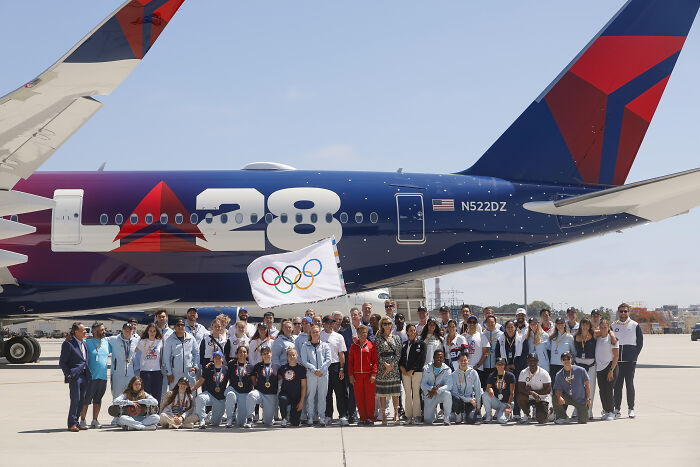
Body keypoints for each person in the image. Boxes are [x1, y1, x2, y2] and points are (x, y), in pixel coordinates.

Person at [613, 302, 643, 419]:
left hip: (630, 361)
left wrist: (634, 356)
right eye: (621, 311)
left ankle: (631, 408)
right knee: (617, 386)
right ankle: (617, 409)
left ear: (628, 312)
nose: (623, 313)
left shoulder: (635, 325)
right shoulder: (613, 325)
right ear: (618, 312)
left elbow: (639, 343)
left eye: (625, 311)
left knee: (629, 385)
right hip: (617, 362)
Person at [60, 322, 91, 432]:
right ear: (76, 332)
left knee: (82, 400)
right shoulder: (68, 344)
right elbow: (62, 362)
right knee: (75, 399)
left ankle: (77, 422)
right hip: (75, 376)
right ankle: (71, 423)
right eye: (83, 330)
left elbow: (84, 360)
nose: (85, 332)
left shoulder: (84, 344)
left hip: (84, 375)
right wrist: (68, 374)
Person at [496, 320, 528, 420]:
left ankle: (517, 412)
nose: (510, 329)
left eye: (512, 327)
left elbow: (524, 354)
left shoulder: (521, 338)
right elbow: (497, 354)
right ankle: (506, 411)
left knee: (517, 390)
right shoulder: (500, 339)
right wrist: (504, 366)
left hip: (518, 368)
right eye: (508, 327)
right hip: (504, 368)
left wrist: (516, 365)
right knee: (505, 390)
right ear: (505, 328)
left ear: (515, 328)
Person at [300, 325, 332, 426]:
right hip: (311, 374)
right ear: (310, 334)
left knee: (322, 396)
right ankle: (310, 417)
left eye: (317, 332)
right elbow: (304, 361)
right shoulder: (305, 345)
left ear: (319, 333)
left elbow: (329, 359)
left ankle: (321, 417)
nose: (315, 334)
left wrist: (321, 370)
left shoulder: (325, 345)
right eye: (313, 332)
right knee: (311, 396)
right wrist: (314, 370)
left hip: (323, 374)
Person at [81, 322, 110, 429]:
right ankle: (82, 420)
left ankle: (95, 420)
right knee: (86, 400)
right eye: (102, 330)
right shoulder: (86, 342)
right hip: (90, 378)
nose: (104, 331)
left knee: (98, 400)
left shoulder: (106, 342)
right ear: (95, 331)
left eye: (104, 329)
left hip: (102, 377)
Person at [321, 315, 349, 425]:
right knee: (327, 393)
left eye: (332, 322)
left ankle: (342, 415)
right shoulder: (320, 335)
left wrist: (341, 369)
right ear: (323, 323)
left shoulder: (338, 337)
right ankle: (328, 415)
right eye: (328, 322)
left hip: (336, 366)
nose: (330, 324)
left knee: (340, 392)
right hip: (324, 366)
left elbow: (341, 354)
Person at [348, 324, 378, 425]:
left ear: (367, 334)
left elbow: (375, 361)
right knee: (359, 397)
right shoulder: (353, 346)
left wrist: (374, 374)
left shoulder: (371, 345)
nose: (362, 335)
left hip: (369, 375)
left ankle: (370, 418)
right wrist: (351, 375)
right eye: (360, 333)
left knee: (369, 397)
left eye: (364, 333)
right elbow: (350, 362)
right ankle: (363, 418)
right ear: (357, 334)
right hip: (357, 376)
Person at [374, 316, 402, 425]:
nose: (387, 325)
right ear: (381, 325)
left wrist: (391, 365)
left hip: (393, 367)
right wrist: (385, 364)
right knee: (383, 392)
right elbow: (377, 353)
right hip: (382, 367)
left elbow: (399, 353)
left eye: (389, 323)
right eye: (384, 323)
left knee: (395, 392)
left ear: (392, 325)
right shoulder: (378, 338)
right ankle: (383, 414)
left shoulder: (396, 338)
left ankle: (396, 413)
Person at [192, 351, 228, 428]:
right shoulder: (209, 368)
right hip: (210, 395)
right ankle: (202, 420)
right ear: (213, 359)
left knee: (215, 423)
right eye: (215, 358)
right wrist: (190, 389)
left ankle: (209, 416)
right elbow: (200, 381)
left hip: (220, 398)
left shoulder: (226, 369)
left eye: (219, 358)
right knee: (200, 398)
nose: (217, 359)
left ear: (222, 359)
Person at [553, 352, 591, 424]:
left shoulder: (581, 370)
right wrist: (559, 397)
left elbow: (587, 385)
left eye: (568, 359)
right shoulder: (559, 374)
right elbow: (557, 389)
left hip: (581, 400)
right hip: (569, 398)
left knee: (583, 421)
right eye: (564, 359)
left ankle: (582, 413)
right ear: (561, 361)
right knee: (555, 397)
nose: (566, 361)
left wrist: (588, 398)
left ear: (571, 359)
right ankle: (563, 417)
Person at [244, 346, 278, 427]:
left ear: (271, 354)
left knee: (268, 423)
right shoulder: (258, 366)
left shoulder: (277, 366)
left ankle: (269, 417)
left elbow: (279, 378)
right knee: (251, 395)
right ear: (261, 355)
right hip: (260, 393)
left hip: (271, 395)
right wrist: (256, 385)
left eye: (268, 353)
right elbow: (253, 376)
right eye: (264, 354)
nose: (266, 355)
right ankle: (250, 419)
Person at [162, 318, 199, 391]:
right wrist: (169, 373)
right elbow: (166, 357)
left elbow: (196, 353)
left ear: (185, 326)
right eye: (178, 325)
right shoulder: (170, 340)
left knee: (191, 393)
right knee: (173, 394)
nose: (180, 327)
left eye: (182, 325)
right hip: (175, 373)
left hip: (189, 371)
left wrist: (195, 367)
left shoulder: (191, 338)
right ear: (175, 327)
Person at [399, 324, 425, 424]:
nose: (413, 332)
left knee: (416, 394)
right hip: (405, 373)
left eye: (414, 330)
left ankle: (417, 416)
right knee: (408, 394)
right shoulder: (404, 344)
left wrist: (412, 370)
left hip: (417, 372)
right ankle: (408, 416)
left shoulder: (421, 344)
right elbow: (401, 359)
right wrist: (403, 369)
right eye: (411, 330)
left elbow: (421, 359)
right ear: (407, 332)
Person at [517, 353, 551, 424]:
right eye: (530, 360)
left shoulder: (544, 373)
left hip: (542, 398)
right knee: (520, 397)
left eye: (534, 360)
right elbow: (520, 388)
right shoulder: (523, 372)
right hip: (529, 396)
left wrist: (534, 392)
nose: (532, 362)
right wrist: (532, 393)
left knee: (541, 420)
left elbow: (548, 390)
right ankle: (527, 414)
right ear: (527, 361)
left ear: (538, 361)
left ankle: (550, 411)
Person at [420, 349, 453, 425]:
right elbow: (423, 384)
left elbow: (449, 385)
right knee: (428, 421)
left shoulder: (447, 369)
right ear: (433, 357)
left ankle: (447, 417)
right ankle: (433, 414)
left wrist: (437, 390)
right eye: (437, 357)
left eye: (441, 357)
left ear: (444, 359)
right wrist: (431, 388)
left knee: (448, 394)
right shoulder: (426, 368)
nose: (439, 359)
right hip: (429, 395)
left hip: (440, 394)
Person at [224, 346, 253, 428]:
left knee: (240, 423)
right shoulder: (231, 364)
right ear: (236, 354)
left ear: (247, 354)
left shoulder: (251, 366)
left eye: (244, 352)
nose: (242, 354)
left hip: (244, 393)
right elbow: (222, 369)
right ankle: (229, 418)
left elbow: (252, 381)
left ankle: (240, 416)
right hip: (234, 390)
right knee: (230, 395)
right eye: (240, 352)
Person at [596, 319, 619, 421]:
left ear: (609, 328)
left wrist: (611, 370)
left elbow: (616, 356)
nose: (603, 329)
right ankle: (605, 410)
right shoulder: (598, 338)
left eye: (605, 327)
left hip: (610, 367)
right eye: (601, 327)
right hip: (600, 368)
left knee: (609, 390)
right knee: (602, 391)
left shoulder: (612, 339)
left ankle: (611, 411)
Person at [108, 323, 139, 399]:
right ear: (122, 330)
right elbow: (101, 340)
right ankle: (116, 411)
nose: (127, 333)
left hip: (130, 374)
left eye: (129, 331)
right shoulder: (114, 339)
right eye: (125, 330)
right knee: (117, 397)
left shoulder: (136, 341)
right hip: (117, 374)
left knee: (130, 397)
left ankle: (127, 411)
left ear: (132, 331)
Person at [135, 323, 163, 405]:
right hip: (145, 371)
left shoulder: (160, 342)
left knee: (157, 395)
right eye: (150, 331)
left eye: (154, 331)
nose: (152, 333)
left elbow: (162, 356)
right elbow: (133, 351)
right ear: (147, 332)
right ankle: (145, 414)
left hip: (157, 371)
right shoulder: (142, 342)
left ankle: (156, 413)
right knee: (145, 395)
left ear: (156, 332)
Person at [574, 317, 597, 418]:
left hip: (590, 364)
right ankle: (576, 411)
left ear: (589, 325)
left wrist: (614, 336)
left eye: (587, 324)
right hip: (578, 363)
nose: (585, 326)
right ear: (580, 325)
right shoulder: (575, 336)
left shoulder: (594, 334)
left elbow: (607, 331)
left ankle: (589, 411)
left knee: (590, 388)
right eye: (583, 324)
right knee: (578, 388)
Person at [342, 308, 361, 423]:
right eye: (351, 315)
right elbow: (344, 351)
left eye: (355, 315)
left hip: (364, 366)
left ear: (360, 316)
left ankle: (364, 413)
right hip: (351, 366)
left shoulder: (366, 329)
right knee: (352, 392)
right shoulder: (345, 333)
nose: (353, 317)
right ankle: (352, 414)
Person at [278, 347, 307, 427]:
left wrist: (301, 402)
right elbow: (278, 378)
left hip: (296, 396)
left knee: (295, 423)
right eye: (290, 355)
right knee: (282, 399)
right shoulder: (283, 368)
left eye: (293, 355)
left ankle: (291, 416)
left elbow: (304, 386)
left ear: (297, 356)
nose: (292, 357)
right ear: (287, 357)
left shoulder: (301, 369)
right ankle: (284, 418)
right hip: (285, 394)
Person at [450, 352, 481, 424]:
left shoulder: (473, 373)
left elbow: (478, 389)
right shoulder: (454, 374)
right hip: (460, 400)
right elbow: (454, 392)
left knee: (471, 420)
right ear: (458, 361)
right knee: (454, 398)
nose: (463, 362)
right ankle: (459, 414)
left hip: (470, 401)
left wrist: (478, 406)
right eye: (461, 360)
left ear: (468, 361)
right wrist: (468, 399)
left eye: (465, 360)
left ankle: (467, 414)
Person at [483, 358, 515, 424]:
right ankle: (489, 415)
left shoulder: (510, 376)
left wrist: (508, 405)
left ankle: (508, 413)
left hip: (506, 403)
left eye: (502, 364)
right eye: (498, 364)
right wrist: (490, 389)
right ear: (495, 365)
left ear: (504, 365)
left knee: (502, 420)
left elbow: (512, 393)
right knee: (485, 394)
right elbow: (487, 388)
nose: (500, 366)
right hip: (497, 401)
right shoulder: (492, 375)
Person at [462, 315, 489, 388]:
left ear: (477, 324)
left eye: (474, 322)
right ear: (467, 323)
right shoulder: (462, 337)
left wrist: (477, 366)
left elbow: (485, 354)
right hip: (465, 368)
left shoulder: (482, 336)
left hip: (477, 369)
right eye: (470, 322)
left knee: (478, 391)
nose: (472, 324)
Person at [549, 318, 576, 382]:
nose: (560, 325)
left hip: (564, 365)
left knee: (565, 387)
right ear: (555, 325)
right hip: (553, 365)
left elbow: (573, 352)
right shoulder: (552, 337)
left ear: (564, 324)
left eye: (562, 323)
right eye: (558, 323)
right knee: (554, 386)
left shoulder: (569, 337)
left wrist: (571, 364)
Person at [482, 315, 502, 379]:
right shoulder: (482, 334)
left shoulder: (501, 334)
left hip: (496, 364)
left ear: (495, 323)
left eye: (492, 322)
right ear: (485, 323)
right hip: (484, 364)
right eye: (488, 322)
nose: (490, 324)